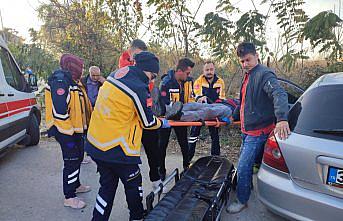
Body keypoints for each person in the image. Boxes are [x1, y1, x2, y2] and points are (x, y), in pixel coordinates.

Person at [85, 52, 170, 221]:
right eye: (152, 76)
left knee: (107, 187)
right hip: (118, 148)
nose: (152, 80)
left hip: (96, 143)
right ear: (146, 70)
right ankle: (137, 217)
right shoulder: (138, 86)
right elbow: (147, 122)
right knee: (133, 184)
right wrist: (162, 123)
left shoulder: (115, 74)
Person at [227, 42, 290, 213]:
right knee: (248, 163)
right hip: (247, 131)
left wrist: (282, 119)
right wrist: (232, 116)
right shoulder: (248, 75)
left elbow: (279, 93)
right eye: (242, 61)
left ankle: (242, 200)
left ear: (256, 55)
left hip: (258, 132)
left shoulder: (264, 74)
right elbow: (243, 102)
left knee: (243, 166)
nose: (245, 64)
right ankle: (247, 187)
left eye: (247, 60)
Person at [45, 54, 93, 209]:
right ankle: (69, 196)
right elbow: (59, 112)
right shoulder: (61, 80)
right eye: (81, 67)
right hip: (66, 131)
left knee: (78, 158)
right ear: (73, 66)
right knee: (71, 161)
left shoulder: (73, 81)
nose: (82, 70)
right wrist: (69, 134)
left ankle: (76, 185)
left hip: (76, 130)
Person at [119, 39, 164, 189]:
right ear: (130, 51)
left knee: (153, 144)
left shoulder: (145, 66)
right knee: (130, 150)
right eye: (136, 55)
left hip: (145, 105)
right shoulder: (124, 65)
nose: (138, 60)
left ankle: (156, 178)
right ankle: (132, 186)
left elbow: (149, 85)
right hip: (129, 115)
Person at [158, 58, 195, 180]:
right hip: (166, 118)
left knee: (184, 143)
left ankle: (186, 166)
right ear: (179, 71)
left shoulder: (188, 81)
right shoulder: (166, 82)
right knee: (162, 145)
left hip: (181, 117)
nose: (189, 76)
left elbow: (192, 96)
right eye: (187, 73)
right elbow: (164, 103)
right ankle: (161, 171)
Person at [188, 60, 226, 162]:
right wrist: (201, 99)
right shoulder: (198, 81)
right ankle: (187, 159)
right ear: (203, 70)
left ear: (214, 69)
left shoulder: (220, 82)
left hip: (214, 112)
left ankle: (215, 159)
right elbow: (198, 98)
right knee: (193, 136)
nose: (209, 71)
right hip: (200, 112)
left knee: (215, 137)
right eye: (207, 69)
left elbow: (222, 99)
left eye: (211, 69)